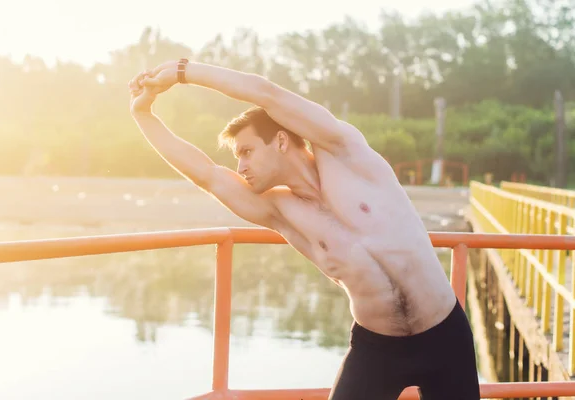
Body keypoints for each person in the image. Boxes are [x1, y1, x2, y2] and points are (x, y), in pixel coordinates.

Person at [128, 59, 480, 400]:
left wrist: (183, 72)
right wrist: (142, 115)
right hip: (378, 349)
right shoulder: (280, 211)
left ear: (281, 141)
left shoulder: (345, 152)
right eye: (238, 157)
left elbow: (265, 93)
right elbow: (207, 174)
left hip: (444, 336)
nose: (241, 166)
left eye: (247, 151)